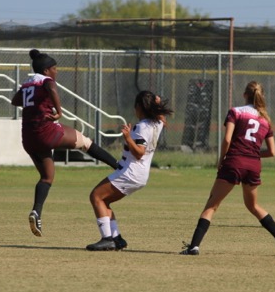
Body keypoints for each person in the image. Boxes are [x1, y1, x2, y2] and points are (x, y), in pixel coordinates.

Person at [11, 49, 118, 237]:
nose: (56, 72)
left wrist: (35, 106)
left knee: (47, 177)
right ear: (46, 70)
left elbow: (15, 101)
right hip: (45, 131)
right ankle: (118, 166)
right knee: (85, 142)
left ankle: (36, 211)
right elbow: (51, 88)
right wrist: (58, 112)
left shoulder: (27, 83)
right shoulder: (46, 81)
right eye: (54, 68)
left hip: (28, 136)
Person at [180, 81, 275, 256]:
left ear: (245, 95)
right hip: (253, 166)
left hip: (234, 162)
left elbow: (227, 140)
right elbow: (272, 151)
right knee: (253, 206)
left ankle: (194, 246)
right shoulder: (265, 120)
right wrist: (253, 154)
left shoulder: (236, 112)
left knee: (212, 205)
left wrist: (221, 160)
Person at [85, 90, 173, 251]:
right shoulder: (157, 123)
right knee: (104, 201)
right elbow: (163, 118)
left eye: (136, 106)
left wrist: (127, 138)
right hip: (139, 174)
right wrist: (157, 103)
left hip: (130, 172)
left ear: (139, 107)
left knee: (96, 196)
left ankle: (107, 239)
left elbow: (139, 153)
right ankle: (117, 239)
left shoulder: (142, 127)